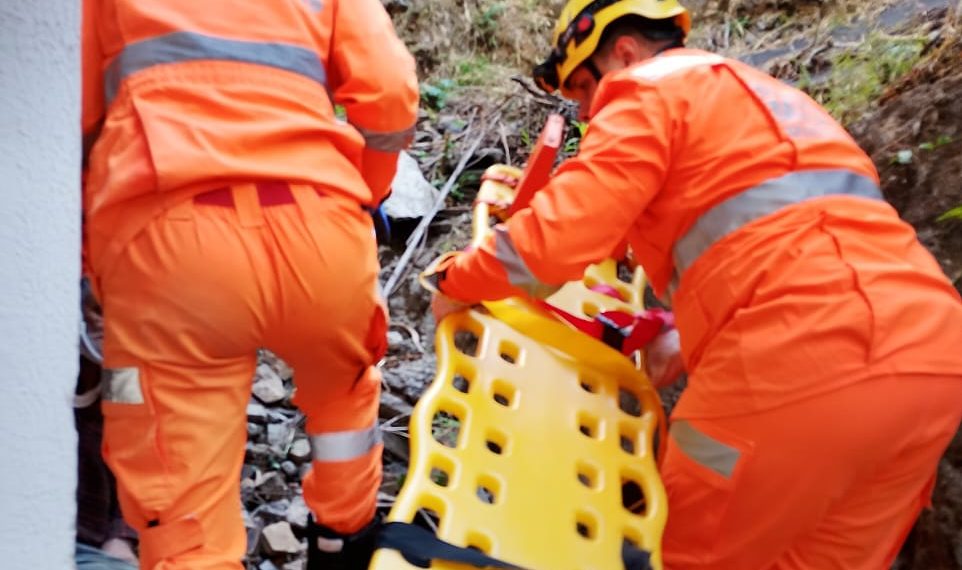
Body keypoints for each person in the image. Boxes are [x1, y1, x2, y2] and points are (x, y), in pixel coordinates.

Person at [425, 0, 962, 567]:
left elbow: (561, 236)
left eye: (582, 91)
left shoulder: (646, 89)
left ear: (624, 52)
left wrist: (458, 279)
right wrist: (689, 330)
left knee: (685, 552)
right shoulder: (774, 104)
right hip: (934, 360)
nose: (586, 112)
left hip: (800, 358)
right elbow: (798, 243)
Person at [81, 1, 418, 568]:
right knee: (345, 395)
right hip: (320, 229)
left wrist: (94, 261)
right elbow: (391, 98)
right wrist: (366, 196)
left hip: (167, 248)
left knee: (180, 502)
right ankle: (343, 540)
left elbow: (68, 118)